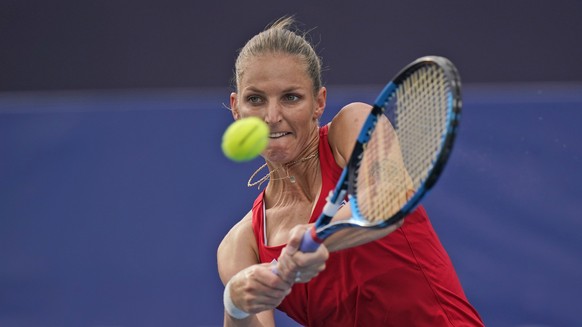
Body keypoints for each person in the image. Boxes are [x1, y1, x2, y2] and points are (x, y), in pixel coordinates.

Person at [217, 16, 484, 327]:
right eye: (256, 99)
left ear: (319, 103)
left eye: (291, 97)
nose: (272, 116)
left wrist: (318, 238)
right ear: (237, 108)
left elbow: (387, 200)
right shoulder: (242, 244)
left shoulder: (353, 127)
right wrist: (235, 306)